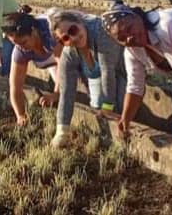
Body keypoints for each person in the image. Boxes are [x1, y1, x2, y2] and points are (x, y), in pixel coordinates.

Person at [101, 1, 172, 145]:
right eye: (122, 38)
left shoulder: (170, 26)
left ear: (137, 16)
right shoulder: (132, 51)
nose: (129, 37)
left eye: (129, 28)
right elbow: (135, 87)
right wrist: (125, 119)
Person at [48, 9, 126, 148]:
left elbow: (108, 71)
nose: (73, 38)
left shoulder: (102, 33)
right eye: (65, 38)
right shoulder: (69, 54)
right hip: (97, 78)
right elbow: (66, 92)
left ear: (80, 22)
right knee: (98, 110)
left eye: (73, 30)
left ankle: (122, 145)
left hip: (121, 71)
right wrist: (61, 131)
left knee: (117, 109)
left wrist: (108, 107)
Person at [1, 6, 64, 126]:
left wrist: (56, 93)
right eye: (16, 44)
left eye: (24, 42)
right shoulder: (20, 50)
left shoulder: (51, 33)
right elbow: (15, 87)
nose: (21, 47)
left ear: (34, 31)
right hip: (54, 60)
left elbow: (64, 64)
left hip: (77, 48)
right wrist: (20, 115)